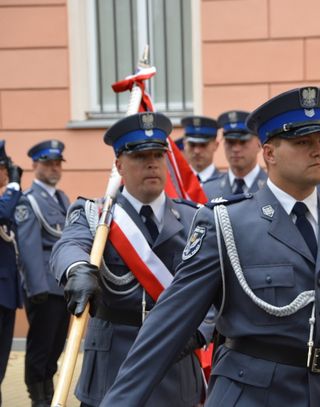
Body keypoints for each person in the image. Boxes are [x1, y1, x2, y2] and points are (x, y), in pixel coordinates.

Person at [101, 87, 320, 407]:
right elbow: (166, 329)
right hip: (251, 396)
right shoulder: (225, 223)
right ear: (269, 153)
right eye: (302, 142)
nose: (319, 150)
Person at [50, 112, 206, 406]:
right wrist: (77, 269)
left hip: (175, 359)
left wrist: (198, 332)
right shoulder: (95, 214)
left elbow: (217, 286)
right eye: (140, 156)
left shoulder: (195, 218)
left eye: (158, 155)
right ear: (119, 165)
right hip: (113, 365)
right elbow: (68, 246)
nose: (151, 163)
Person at [14, 140, 70, 406]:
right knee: (40, 347)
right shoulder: (29, 202)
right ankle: (38, 398)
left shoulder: (61, 198)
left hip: (62, 286)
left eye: (57, 163)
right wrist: (37, 288)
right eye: (48, 163)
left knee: (56, 345)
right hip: (45, 288)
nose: (53, 168)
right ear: (35, 165)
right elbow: (29, 246)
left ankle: (48, 392)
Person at [0, 141, 23, 406]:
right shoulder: (6, 199)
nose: (7, 174)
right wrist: (15, 187)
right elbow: (4, 212)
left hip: (6, 294)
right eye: (5, 168)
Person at [203, 110, 267, 199]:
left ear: (259, 143)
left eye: (243, 142)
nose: (235, 149)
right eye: (230, 142)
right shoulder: (208, 189)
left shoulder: (273, 187)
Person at [180, 115, 222, 183]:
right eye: (192, 145)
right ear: (184, 144)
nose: (197, 151)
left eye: (203, 145)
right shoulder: (176, 184)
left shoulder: (227, 185)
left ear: (216, 145)